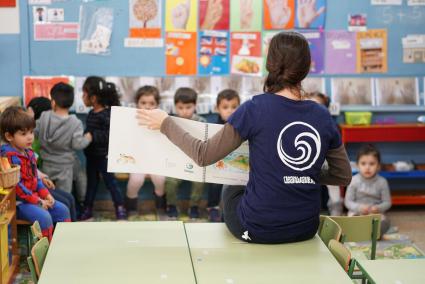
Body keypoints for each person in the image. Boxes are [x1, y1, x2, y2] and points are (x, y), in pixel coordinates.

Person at [137, 31, 351, 244]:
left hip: (257, 228)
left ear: (270, 65)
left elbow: (203, 155)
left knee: (233, 183)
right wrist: (302, 173)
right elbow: (343, 176)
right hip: (305, 228)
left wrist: (165, 123)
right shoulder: (322, 115)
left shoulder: (254, 108)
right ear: (306, 67)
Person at [0, 107, 70, 240]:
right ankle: (46, 254)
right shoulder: (7, 157)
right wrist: (38, 202)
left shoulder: (29, 152)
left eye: (31, 132)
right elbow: (18, 188)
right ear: (9, 136)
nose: (30, 137)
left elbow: (35, 179)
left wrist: (47, 195)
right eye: (23, 133)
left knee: (63, 210)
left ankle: (65, 243)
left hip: (35, 198)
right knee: (44, 217)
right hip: (19, 203)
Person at [80, 76, 127, 221]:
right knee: (91, 184)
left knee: (111, 183)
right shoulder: (91, 114)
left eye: (84, 94)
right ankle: (88, 209)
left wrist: (92, 135)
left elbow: (109, 135)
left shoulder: (106, 114)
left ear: (93, 98)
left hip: (104, 157)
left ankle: (120, 207)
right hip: (91, 157)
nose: (82, 97)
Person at [164, 87, 206, 219]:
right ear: (175, 107)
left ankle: (194, 206)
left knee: (199, 181)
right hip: (177, 162)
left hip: (195, 162)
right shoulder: (172, 122)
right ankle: (171, 205)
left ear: (195, 106)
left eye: (188, 107)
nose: (185, 111)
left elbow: (205, 143)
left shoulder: (202, 122)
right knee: (170, 181)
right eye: (180, 108)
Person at [125, 86, 166, 215]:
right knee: (136, 180)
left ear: (157, 105)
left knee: (160, 179)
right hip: (136, 161)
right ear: (137, 103)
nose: (147, 107)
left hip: (155, 162)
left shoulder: (162, 121)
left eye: (151, 104)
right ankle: (131, 206)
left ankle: (161, 205)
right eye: (143, 103)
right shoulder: (130, 122)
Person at [304, 91, 343, 216]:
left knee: (333, 191)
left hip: (325, 166)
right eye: (309, 105)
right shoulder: (301, 125)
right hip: (306, 168)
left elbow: (335, 152)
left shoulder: (328, 126)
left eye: (318, 106)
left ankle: (335, 214)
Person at [207, 89, 240, 222]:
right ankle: (213, 208)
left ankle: (229, 211)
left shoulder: (241, 125)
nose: (230, 110)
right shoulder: (213, 126)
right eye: (225, 107)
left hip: (235, 164)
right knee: (214, 184)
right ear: (217, 108)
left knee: (234, 187)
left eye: (234, 107)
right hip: (217, 163)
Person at [345, 144, 391, 234]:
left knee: (384, 222)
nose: (367, 167)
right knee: (351, 220)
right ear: (357, 165)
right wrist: (359, 207)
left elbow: (387, 202)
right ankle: (362, 230)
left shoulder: (382, 182)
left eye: (372, 164)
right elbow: (348, 202)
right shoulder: (353, 181)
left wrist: (378, 208)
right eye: (363, 163)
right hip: (357, 213)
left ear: (378, 166)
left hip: (374, 213)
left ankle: (375, 232)